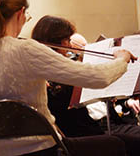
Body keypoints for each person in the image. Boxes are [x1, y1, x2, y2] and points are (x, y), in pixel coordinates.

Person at [0, 0, 136, 156]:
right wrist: (121, 59)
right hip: (42, 149)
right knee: (118, 144)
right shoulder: (25, 49)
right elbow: (98, 77)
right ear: (21, 12)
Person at [32, 23, 140, 156]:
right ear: (56, 41)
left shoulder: (53, 72)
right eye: (67, 40)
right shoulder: (56, 77)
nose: (70, 46)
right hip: (79, 137)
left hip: (91, 131)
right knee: (127, 143)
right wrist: (121, 60)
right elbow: (98, 78)